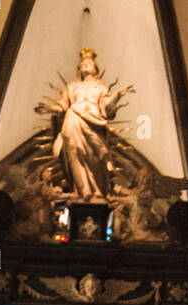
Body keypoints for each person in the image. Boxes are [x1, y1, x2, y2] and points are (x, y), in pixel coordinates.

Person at [36, 47, 133, 200]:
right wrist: (48, 108)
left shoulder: (100, 87)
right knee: (74, 153)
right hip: (73, 120)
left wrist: (117, 96)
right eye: (84, 63)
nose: (86, 65)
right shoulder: (72, 87)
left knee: (94, 155)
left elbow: (106, 109)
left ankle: (99, 182)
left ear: (95, 68)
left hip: (93, 123)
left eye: (90, 63)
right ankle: (84, 189)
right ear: (79, 68)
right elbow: (62, 106)